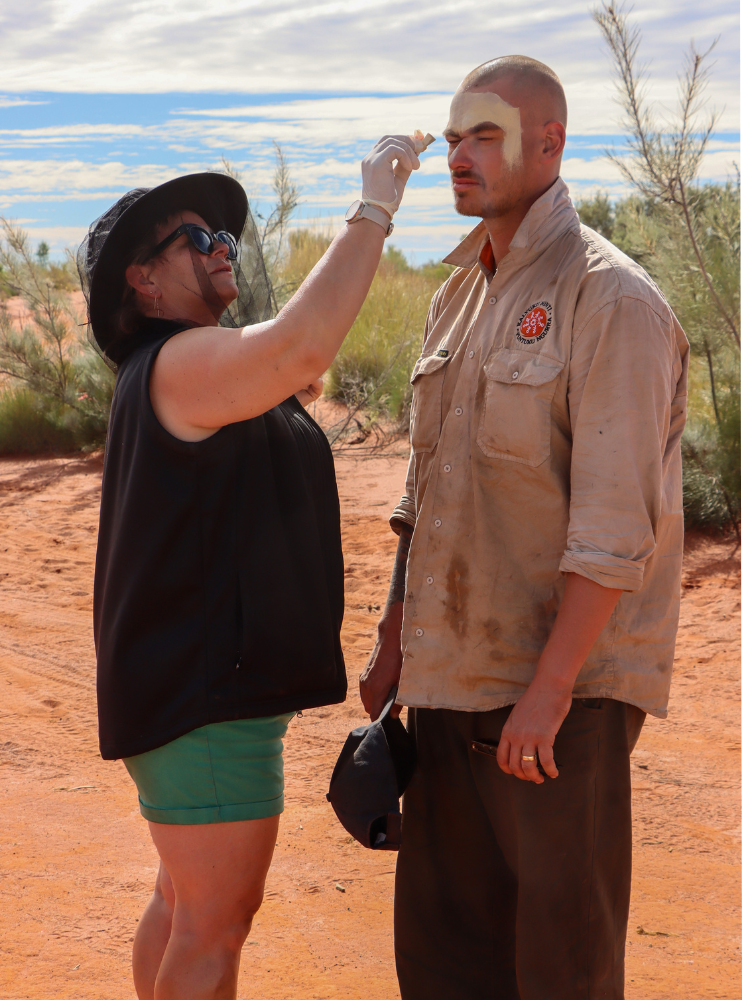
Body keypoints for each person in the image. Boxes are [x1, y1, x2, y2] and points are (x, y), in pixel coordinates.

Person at [360, 56, 689, 1000]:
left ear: (549, 143)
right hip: (449, 680)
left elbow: (614, 525)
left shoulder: (610, 298)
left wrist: (548, 693)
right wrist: (395, 635)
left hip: (561, 702)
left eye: (485, 133)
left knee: (560, 969)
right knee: (446, 961)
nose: (459, 153)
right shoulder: (455, 295)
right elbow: (427, 493)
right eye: (454, 134)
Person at [77, 133, 425, 1000]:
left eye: (225, 237)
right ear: (142, 281)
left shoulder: (180, 370)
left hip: (190, 693)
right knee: (214, 925)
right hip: (206, 702)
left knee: (182, 905)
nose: (221, 248)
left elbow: (283, 375)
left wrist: (281, 394)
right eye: (195, 239)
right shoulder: (182, 362)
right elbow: (301, 347)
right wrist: (375, 205)